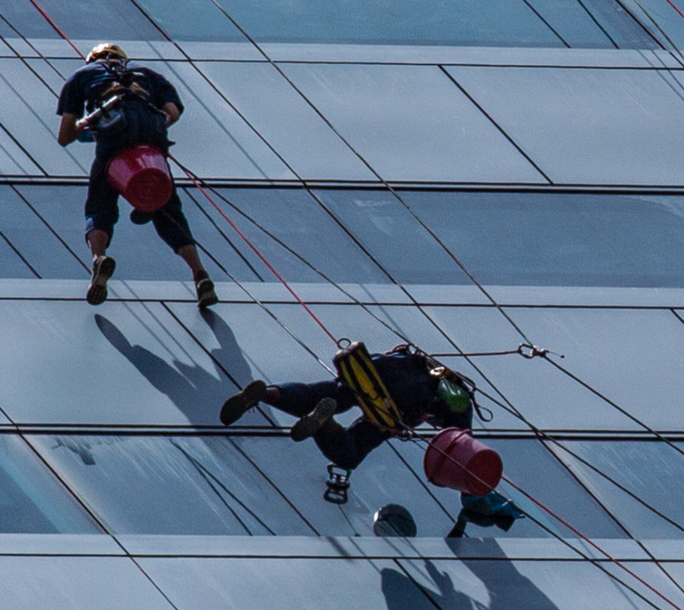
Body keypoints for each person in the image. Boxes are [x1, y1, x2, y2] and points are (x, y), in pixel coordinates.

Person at [56, 43, 217, 308]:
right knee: (169, 210)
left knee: (99, 205)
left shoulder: (81, 76)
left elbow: (64, 137)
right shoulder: (148, 74)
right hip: (151, 141)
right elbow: (172, 114)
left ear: (92, 60)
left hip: (113, 140)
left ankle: (99, 259)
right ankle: (199, 273)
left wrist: (91, 129)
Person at [218, 343, 475, 471]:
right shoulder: (457, 404)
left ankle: (266, 393)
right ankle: (326, 424)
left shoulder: (414, 360)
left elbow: (381, 359)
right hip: (396, 409)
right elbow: (460, 447)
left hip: (373, 376)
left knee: (314, 394)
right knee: (350, 454)